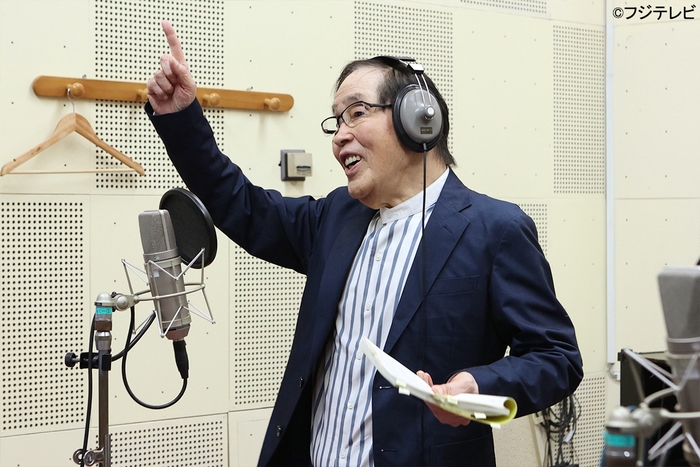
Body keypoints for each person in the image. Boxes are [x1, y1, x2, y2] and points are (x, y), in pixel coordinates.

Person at [146, 20, 583, 467]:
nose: (340, 136)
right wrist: (181, 118)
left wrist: (478, 385)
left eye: (356, 113)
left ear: (418, 119)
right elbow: (240, 204)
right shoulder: (336, 216)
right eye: (337, 121)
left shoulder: (495, 229)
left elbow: (556, 358)